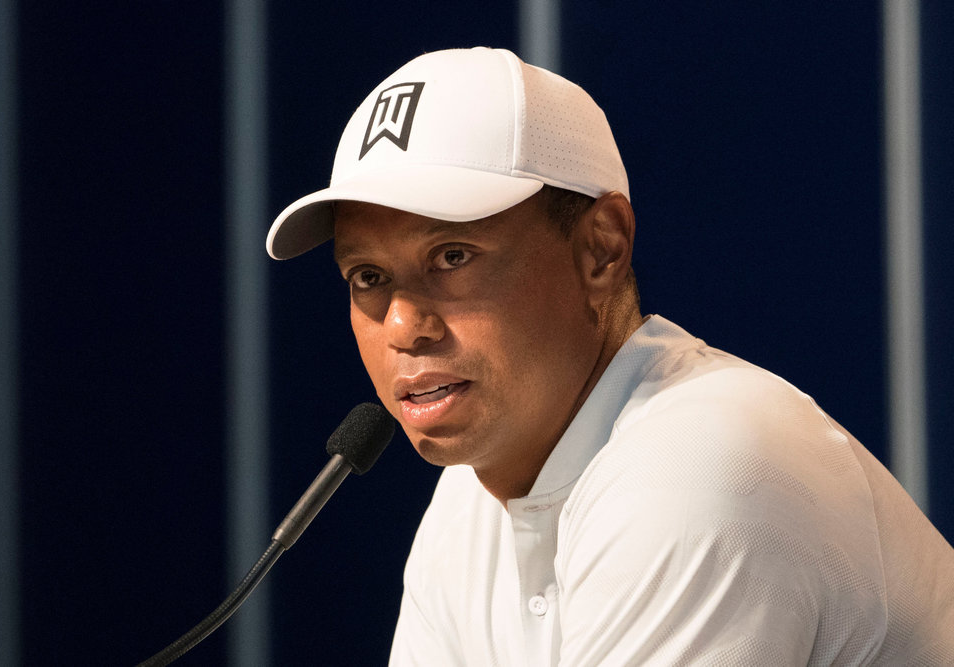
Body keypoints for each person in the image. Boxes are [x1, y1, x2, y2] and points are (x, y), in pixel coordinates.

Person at [267, 47, 954, 665]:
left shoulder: (698, 464)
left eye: (452, 257)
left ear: (601, 248)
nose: (403, 325)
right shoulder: (466, 507)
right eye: (367, 277)